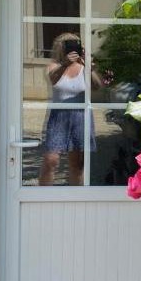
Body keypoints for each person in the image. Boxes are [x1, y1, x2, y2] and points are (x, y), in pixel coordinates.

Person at [39, 33, 101, 186]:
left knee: (77, 163)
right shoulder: (53, 66)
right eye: (67, 45)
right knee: (50, 160)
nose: (72, 48)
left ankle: (76, 198)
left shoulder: (83, 67)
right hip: (59, 117)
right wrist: (65, 64)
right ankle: (44, 198)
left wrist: (89, 68)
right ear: (60, 47)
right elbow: (53, 80)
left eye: (75, 44)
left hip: (81, 116)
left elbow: (97, 87)